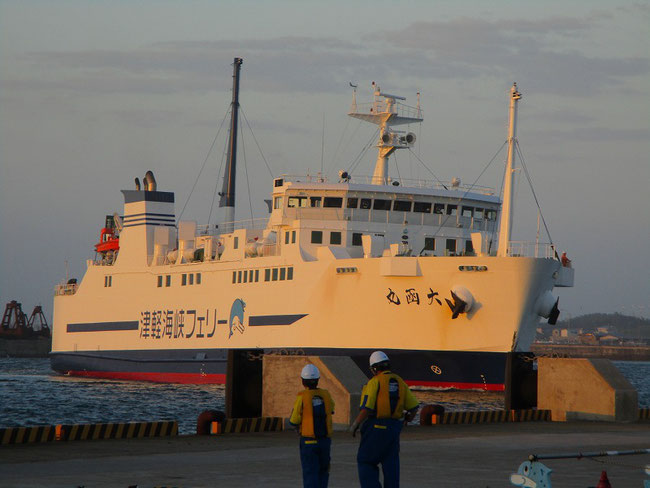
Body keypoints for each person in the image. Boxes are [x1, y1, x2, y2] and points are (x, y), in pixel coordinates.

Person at [349, 351, 419, 487]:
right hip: (393, 430)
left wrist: (355, 424)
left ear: (374, 368)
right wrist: (408, 419)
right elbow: (414, 407)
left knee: (366, 461)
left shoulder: (374, 382)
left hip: (375, 429)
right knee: (391, 465)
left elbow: (367, 408)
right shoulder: (400, 382)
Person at [290, 364, 335, 488]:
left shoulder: (302, 397)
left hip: (308, 442)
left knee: (310, 474)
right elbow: (331, 409)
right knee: (323, 472)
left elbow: (294, 420)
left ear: (303, 381)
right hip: (325, 441)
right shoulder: (326, 395)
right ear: (318, 379)